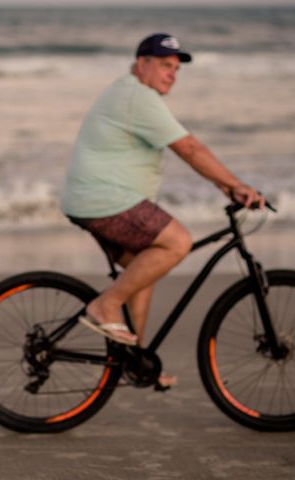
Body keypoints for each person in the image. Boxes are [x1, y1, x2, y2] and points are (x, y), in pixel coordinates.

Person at [61, 33, 264, 386]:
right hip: (104, 200)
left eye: (176, 68)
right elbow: (189, 149)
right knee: (177, 242)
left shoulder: (132, 93)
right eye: (165, 65)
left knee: (145, 268)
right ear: (142, 64)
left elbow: (186, 152)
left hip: (96, 200)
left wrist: (225, 186)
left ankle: (135, 360)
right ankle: (104, 307)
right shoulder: (137, 96)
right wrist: (236, 185)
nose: (172, 74)